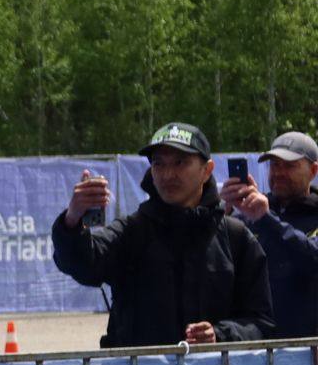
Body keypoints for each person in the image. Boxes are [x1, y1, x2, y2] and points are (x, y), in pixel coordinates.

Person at [54, 121, 273, 348]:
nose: (168, 174)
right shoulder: (132, 231)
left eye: (180, 162)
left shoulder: (236, 237)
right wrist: (72, 220)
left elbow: (261, 323)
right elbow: (83, 265)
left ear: (206, 170)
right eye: (159, 163)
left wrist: (220, 336)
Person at [222, 131, 318, 341]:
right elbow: (213, 263)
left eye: (289, 166)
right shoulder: (250, 215)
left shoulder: (263, 216)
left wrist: (267, 219)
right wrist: (223, 213)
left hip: (308, 349)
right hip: (255, 350)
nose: (279, 173)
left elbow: (313, 258)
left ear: (313, 170)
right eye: (274, 165)